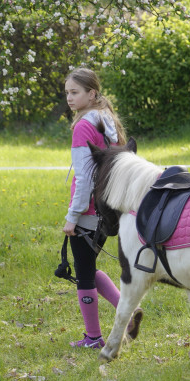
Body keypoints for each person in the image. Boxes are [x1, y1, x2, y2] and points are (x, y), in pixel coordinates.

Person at [63, 68, 141, 348]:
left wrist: (73, 216)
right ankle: (127, 310)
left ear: (91, 93)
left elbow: (84, 178)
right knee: (88, 265)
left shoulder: (84, 125)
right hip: (109, 207)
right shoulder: (108, 120)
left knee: (83, 274)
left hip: (88, 210)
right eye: (68, 93)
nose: (69, 98)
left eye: (75, 92)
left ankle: (93, 337)